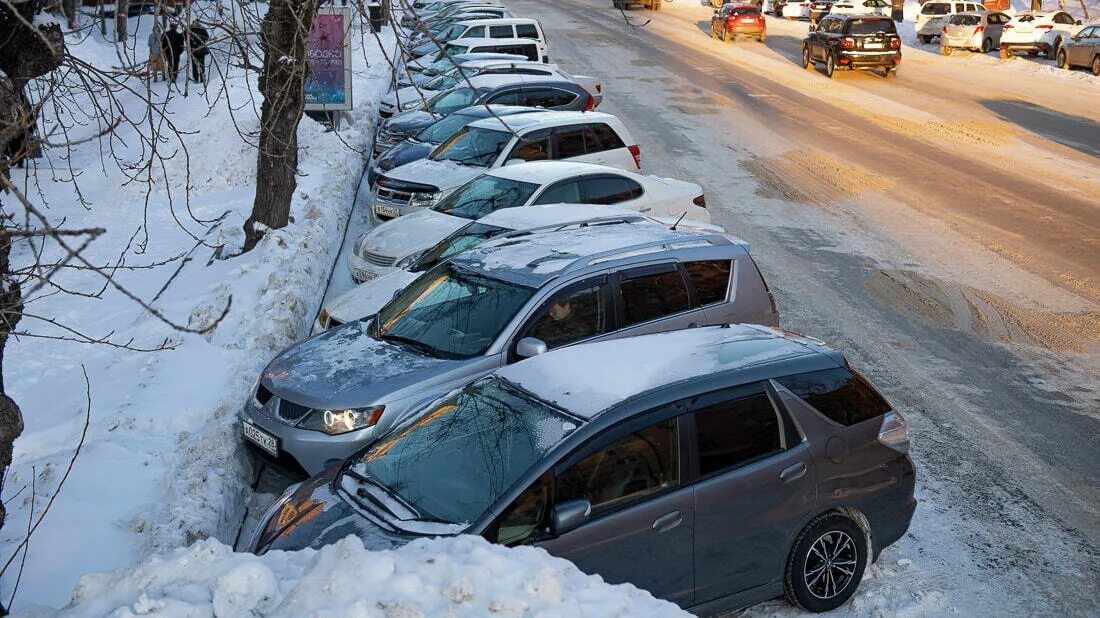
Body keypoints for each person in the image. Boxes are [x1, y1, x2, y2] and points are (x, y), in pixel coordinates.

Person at [188, 19, 210, 84]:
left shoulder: (190, 29)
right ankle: (199, 78)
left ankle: (199, 78)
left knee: (198, 64)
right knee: (199, 64)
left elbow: (207, 37)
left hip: (196, 49)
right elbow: (207, 37)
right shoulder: (200, 29)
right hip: (198, 49)